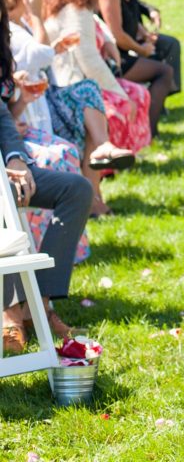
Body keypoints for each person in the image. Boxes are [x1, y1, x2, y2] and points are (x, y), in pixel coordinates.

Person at [0, 0, 136, 217]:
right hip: (30, 111)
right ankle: (96, 182)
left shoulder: (21, 24)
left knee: (88, 96)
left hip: (36, 102)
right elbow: (39, 56)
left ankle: (97, 181)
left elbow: (40, 56)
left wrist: (55, 46)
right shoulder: (12, 29)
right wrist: (38, 18)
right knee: (87, 96)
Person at [43, 0, 150, 188]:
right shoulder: (76, 10)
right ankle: (97, 188)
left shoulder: (64, 6)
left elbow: (94, 26)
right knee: (114, 102)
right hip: (65, 89)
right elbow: (88, 59)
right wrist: (119, 95)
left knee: (110, 101)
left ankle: (100, 181)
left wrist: (109, 41)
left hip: (60, 84)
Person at [0, 96, 93, 354]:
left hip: (5, 169)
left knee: (77, 190)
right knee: (4, 195)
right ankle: (10, 313)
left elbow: (2, 117)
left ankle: (37, 306)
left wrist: (15, 157)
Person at [99, 0, 179, 132]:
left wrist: (145, 36)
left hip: (127, 51)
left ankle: (151, 120)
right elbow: (117, 35)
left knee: (165, 52)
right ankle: (148, 131)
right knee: (164, 71)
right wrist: (141, 50)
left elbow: (132, 21)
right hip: (114, 58)